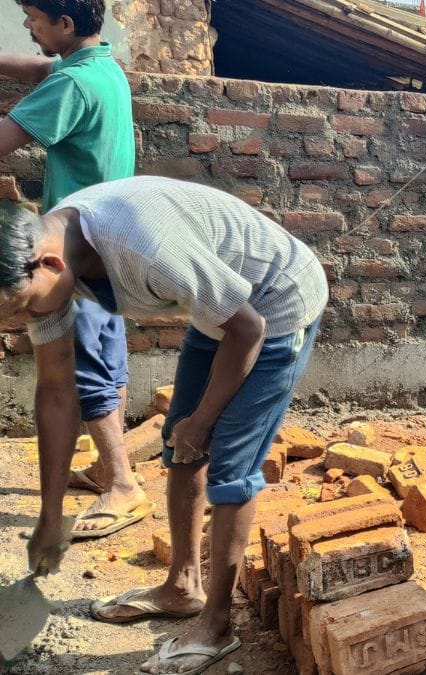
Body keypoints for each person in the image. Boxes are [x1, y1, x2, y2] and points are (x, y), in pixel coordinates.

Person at [4, 176, 328, 675]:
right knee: (180, 444)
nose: (25, 319)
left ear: (51, 264)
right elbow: (54, 391)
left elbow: (249, 328)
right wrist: (51, 513)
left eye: (23, 307)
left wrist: (204, 419)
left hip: (272, 304)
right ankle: (182, 588)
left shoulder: (143, 246)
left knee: (229, 466)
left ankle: (217, 625)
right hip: (218, 309)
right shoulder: (49, 251)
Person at [0, 0, 146, 539]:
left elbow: (4, 139)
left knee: (85, 367)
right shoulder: (100, 69)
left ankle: (124, 487)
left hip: (75, 248)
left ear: (64, 25)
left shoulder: (72, 88)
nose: (26, 26)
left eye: (34, 19)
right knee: (107, 355)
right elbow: (40, 68)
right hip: (110, 240)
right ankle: (111, 468)